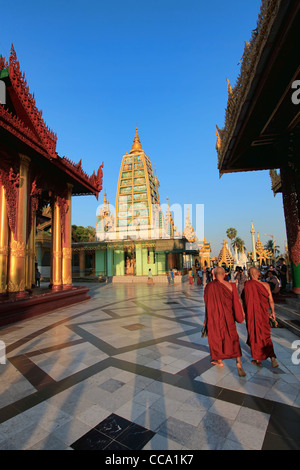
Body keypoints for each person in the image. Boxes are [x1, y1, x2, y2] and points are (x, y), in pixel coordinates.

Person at [203, 266, 246, 377]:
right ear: (224, 274)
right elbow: (237, 303)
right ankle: (239, 363)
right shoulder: (230, 286)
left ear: (214, 275)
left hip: (214, 318)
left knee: (216, 338)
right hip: (228, 317)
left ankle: (219, 360)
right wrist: (240, 315)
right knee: (233, 338)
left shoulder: (209, 286)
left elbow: (207, 304)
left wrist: (206, 319)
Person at [243, 267, 279, 368]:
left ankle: (257, 359)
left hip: (252, 315)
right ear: (258, 274)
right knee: (266, 336)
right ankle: (272, 358)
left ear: (249, 275)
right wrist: (273, 312)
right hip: (264, 314)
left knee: (254, 335)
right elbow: (270, 300)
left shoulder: (247, 285)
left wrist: (243, 312)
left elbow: (244, 300)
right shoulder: (266, 285)